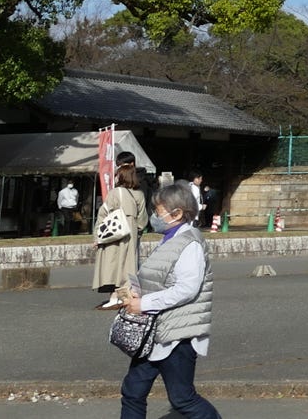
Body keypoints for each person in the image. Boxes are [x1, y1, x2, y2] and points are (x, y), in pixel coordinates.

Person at [116, 180, 220, 419]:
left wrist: (143, 304)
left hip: (177, 336)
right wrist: (134, 293)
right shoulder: (170, 240)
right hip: (154, 332)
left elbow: (187, 289)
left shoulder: (189, 244)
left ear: (177, 213)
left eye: (158, 210)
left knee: (183, 398)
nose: (155, 216)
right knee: (132, 391)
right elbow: (160, 280)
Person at [93, 152, 149, 309]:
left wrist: (97, 235)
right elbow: (143, 219)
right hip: (131, 235)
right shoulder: (139, 194)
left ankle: (113, 297)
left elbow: (103, 214)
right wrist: (136, 230)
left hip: (114, 234)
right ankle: (125, 296)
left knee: (112, 265)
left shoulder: (115, 192)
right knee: (128, 266)